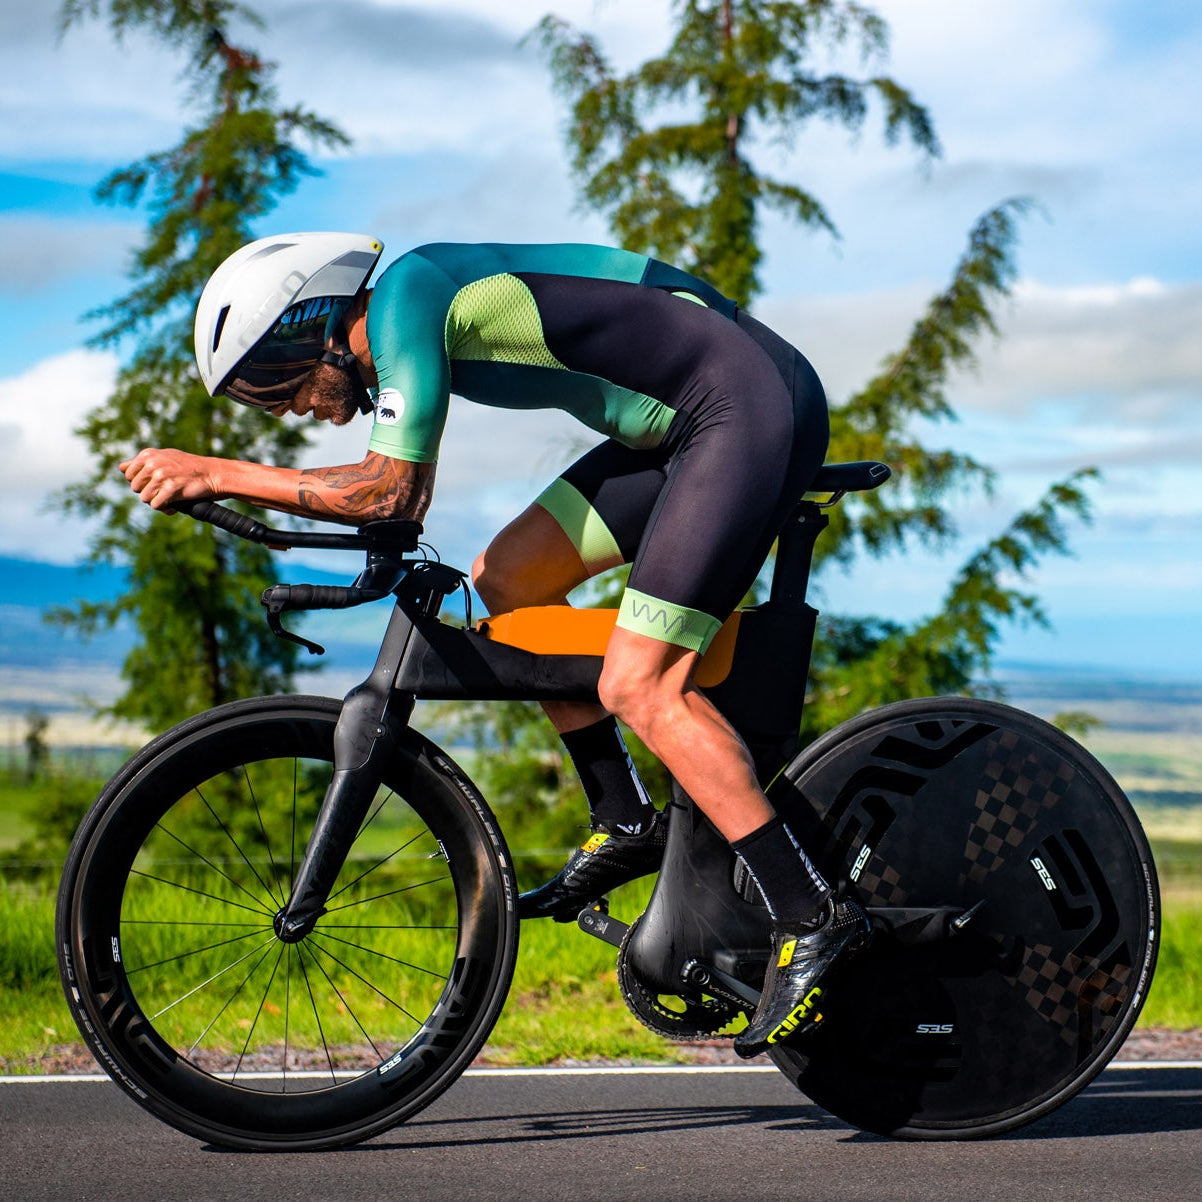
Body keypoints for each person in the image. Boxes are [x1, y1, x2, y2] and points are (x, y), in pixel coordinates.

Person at [120, 232, 869, 1057]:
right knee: (504, 591)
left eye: (274, 380)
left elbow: (390, 486)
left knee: (639, 684)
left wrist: (217, 473)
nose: (290, 407)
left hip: (743, 404)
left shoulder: (407, 297)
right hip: (683, 425)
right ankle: (624, 820)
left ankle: (813, 916)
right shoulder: (414, 313)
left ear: (315, 324)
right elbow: (400, 504)